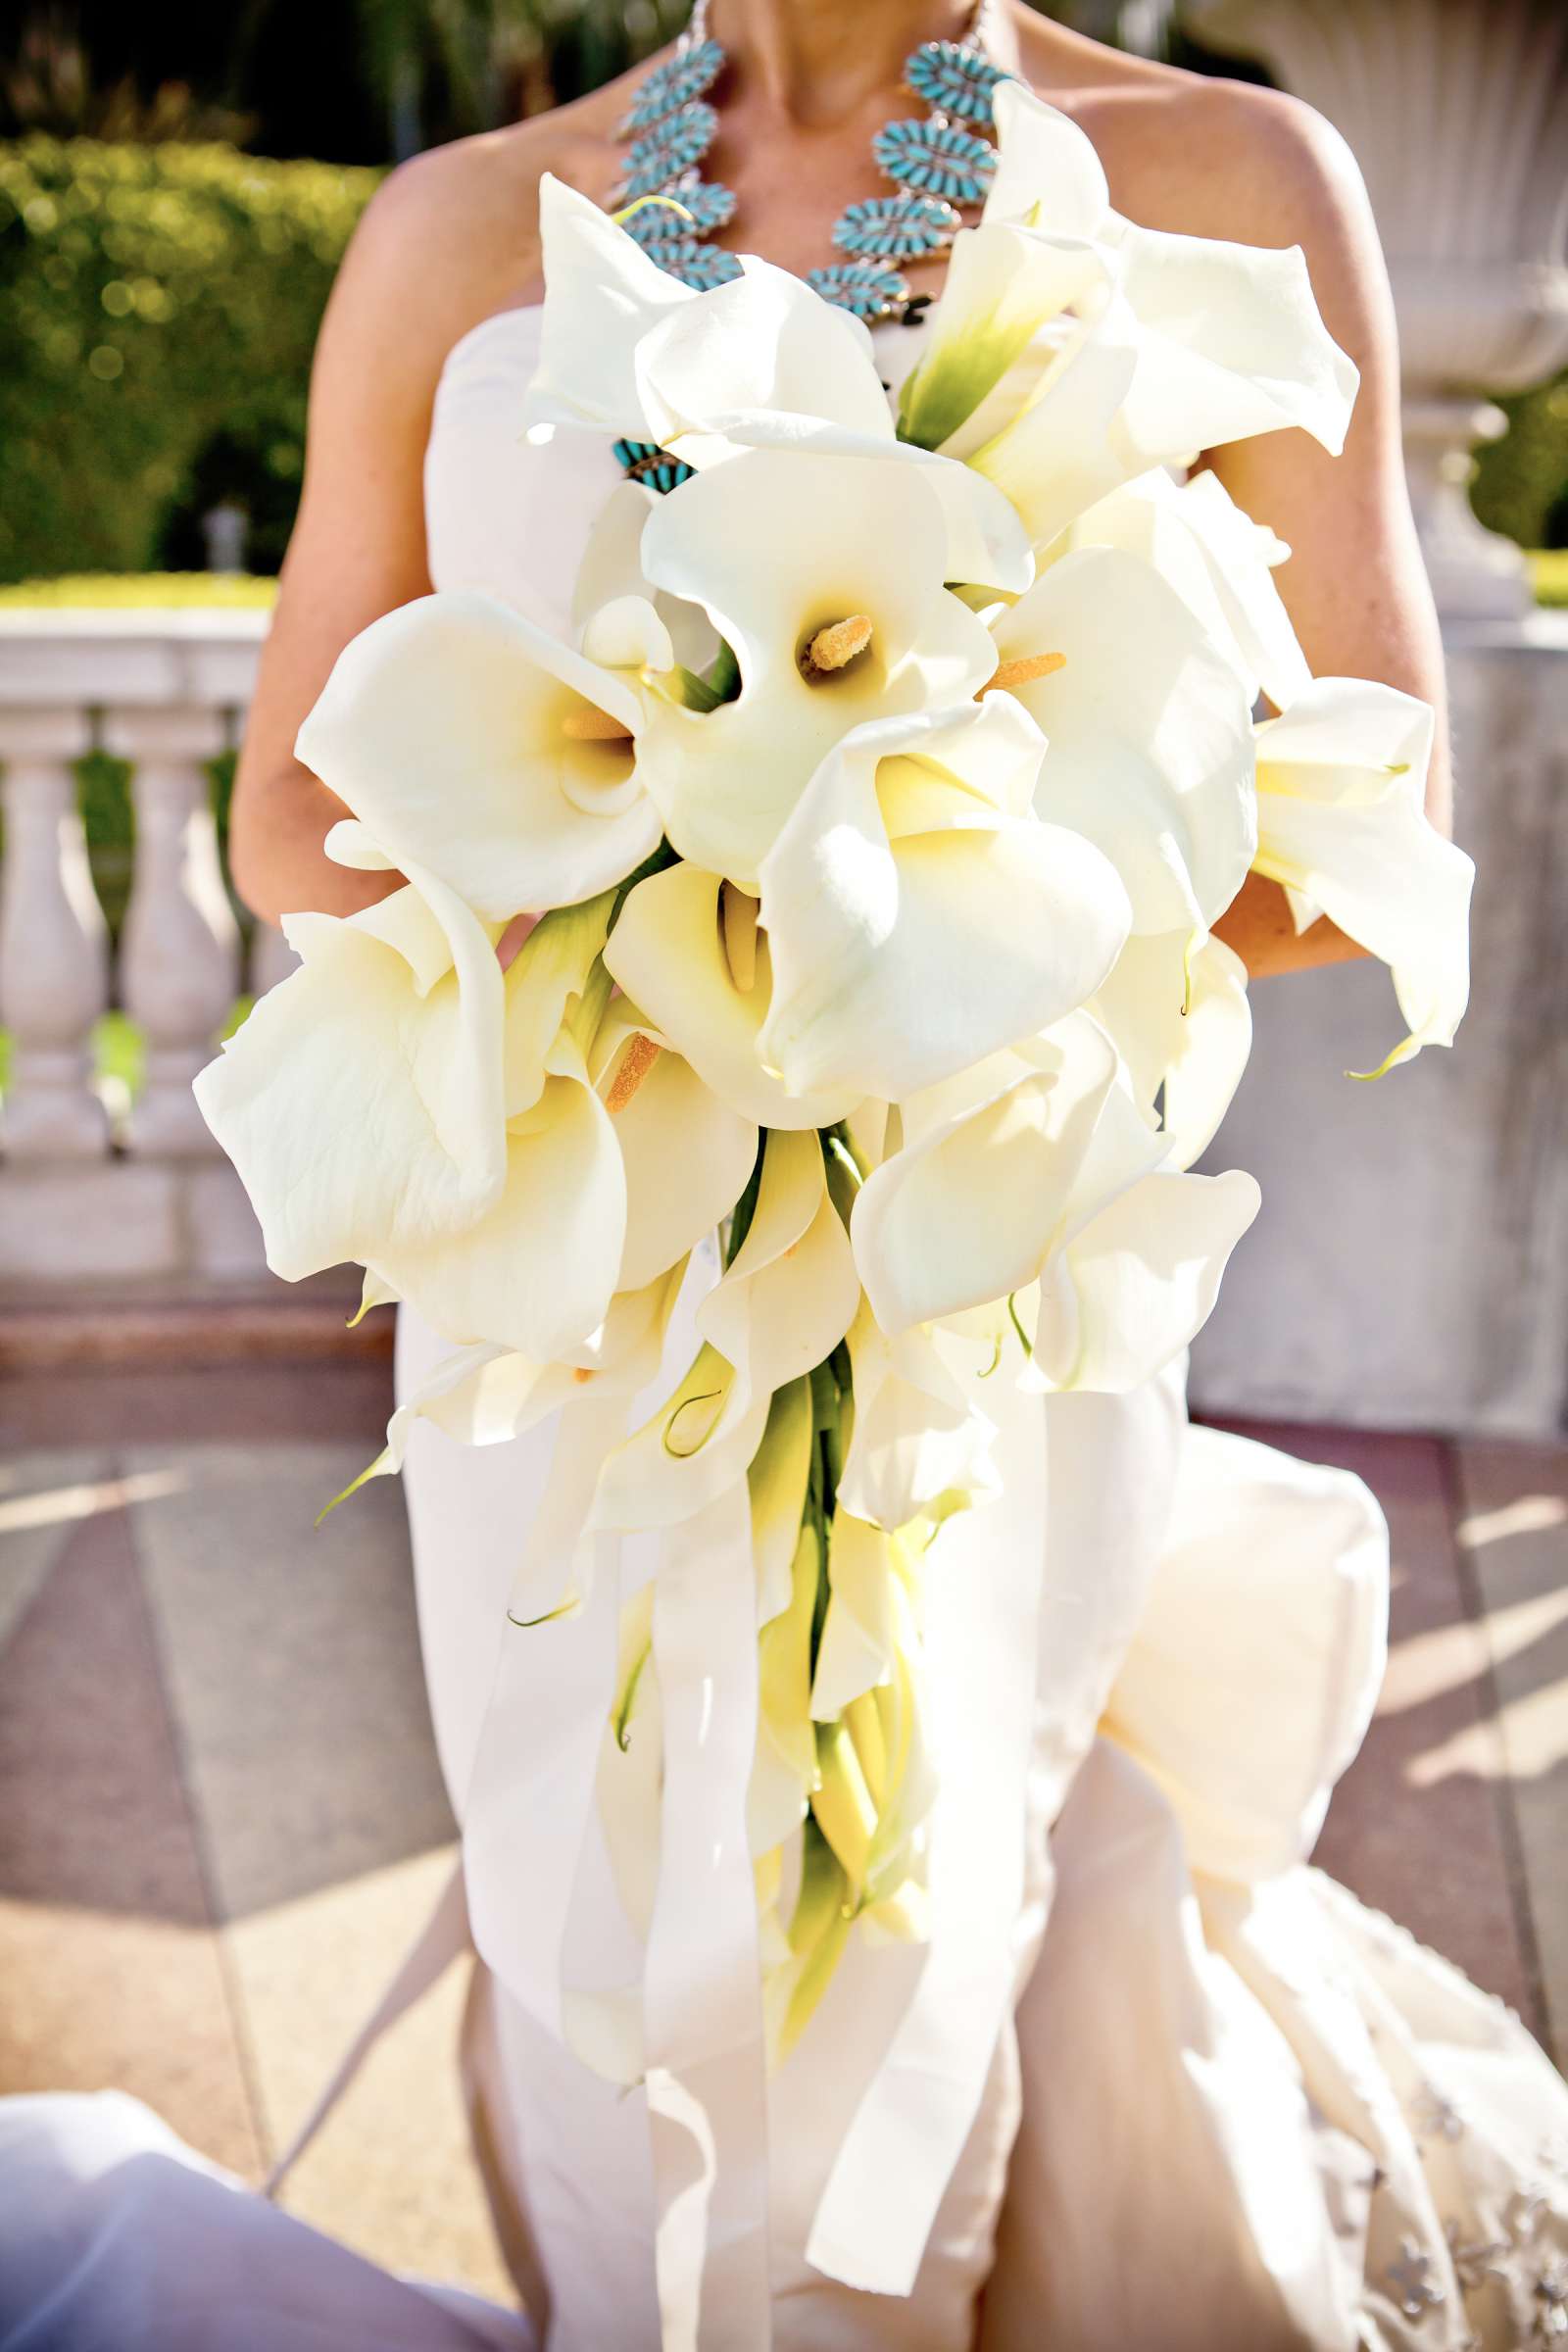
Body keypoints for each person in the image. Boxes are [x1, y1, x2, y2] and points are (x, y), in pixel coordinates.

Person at [9, 7, 1567, 2350]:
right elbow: (289, 817)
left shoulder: (1232, 182)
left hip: (971, 1286)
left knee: (916, 1928)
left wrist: (909, 921)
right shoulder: (450, 228)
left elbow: (1360, 823)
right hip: (568, 1286)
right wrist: (662, 881)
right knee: (587, 1926)